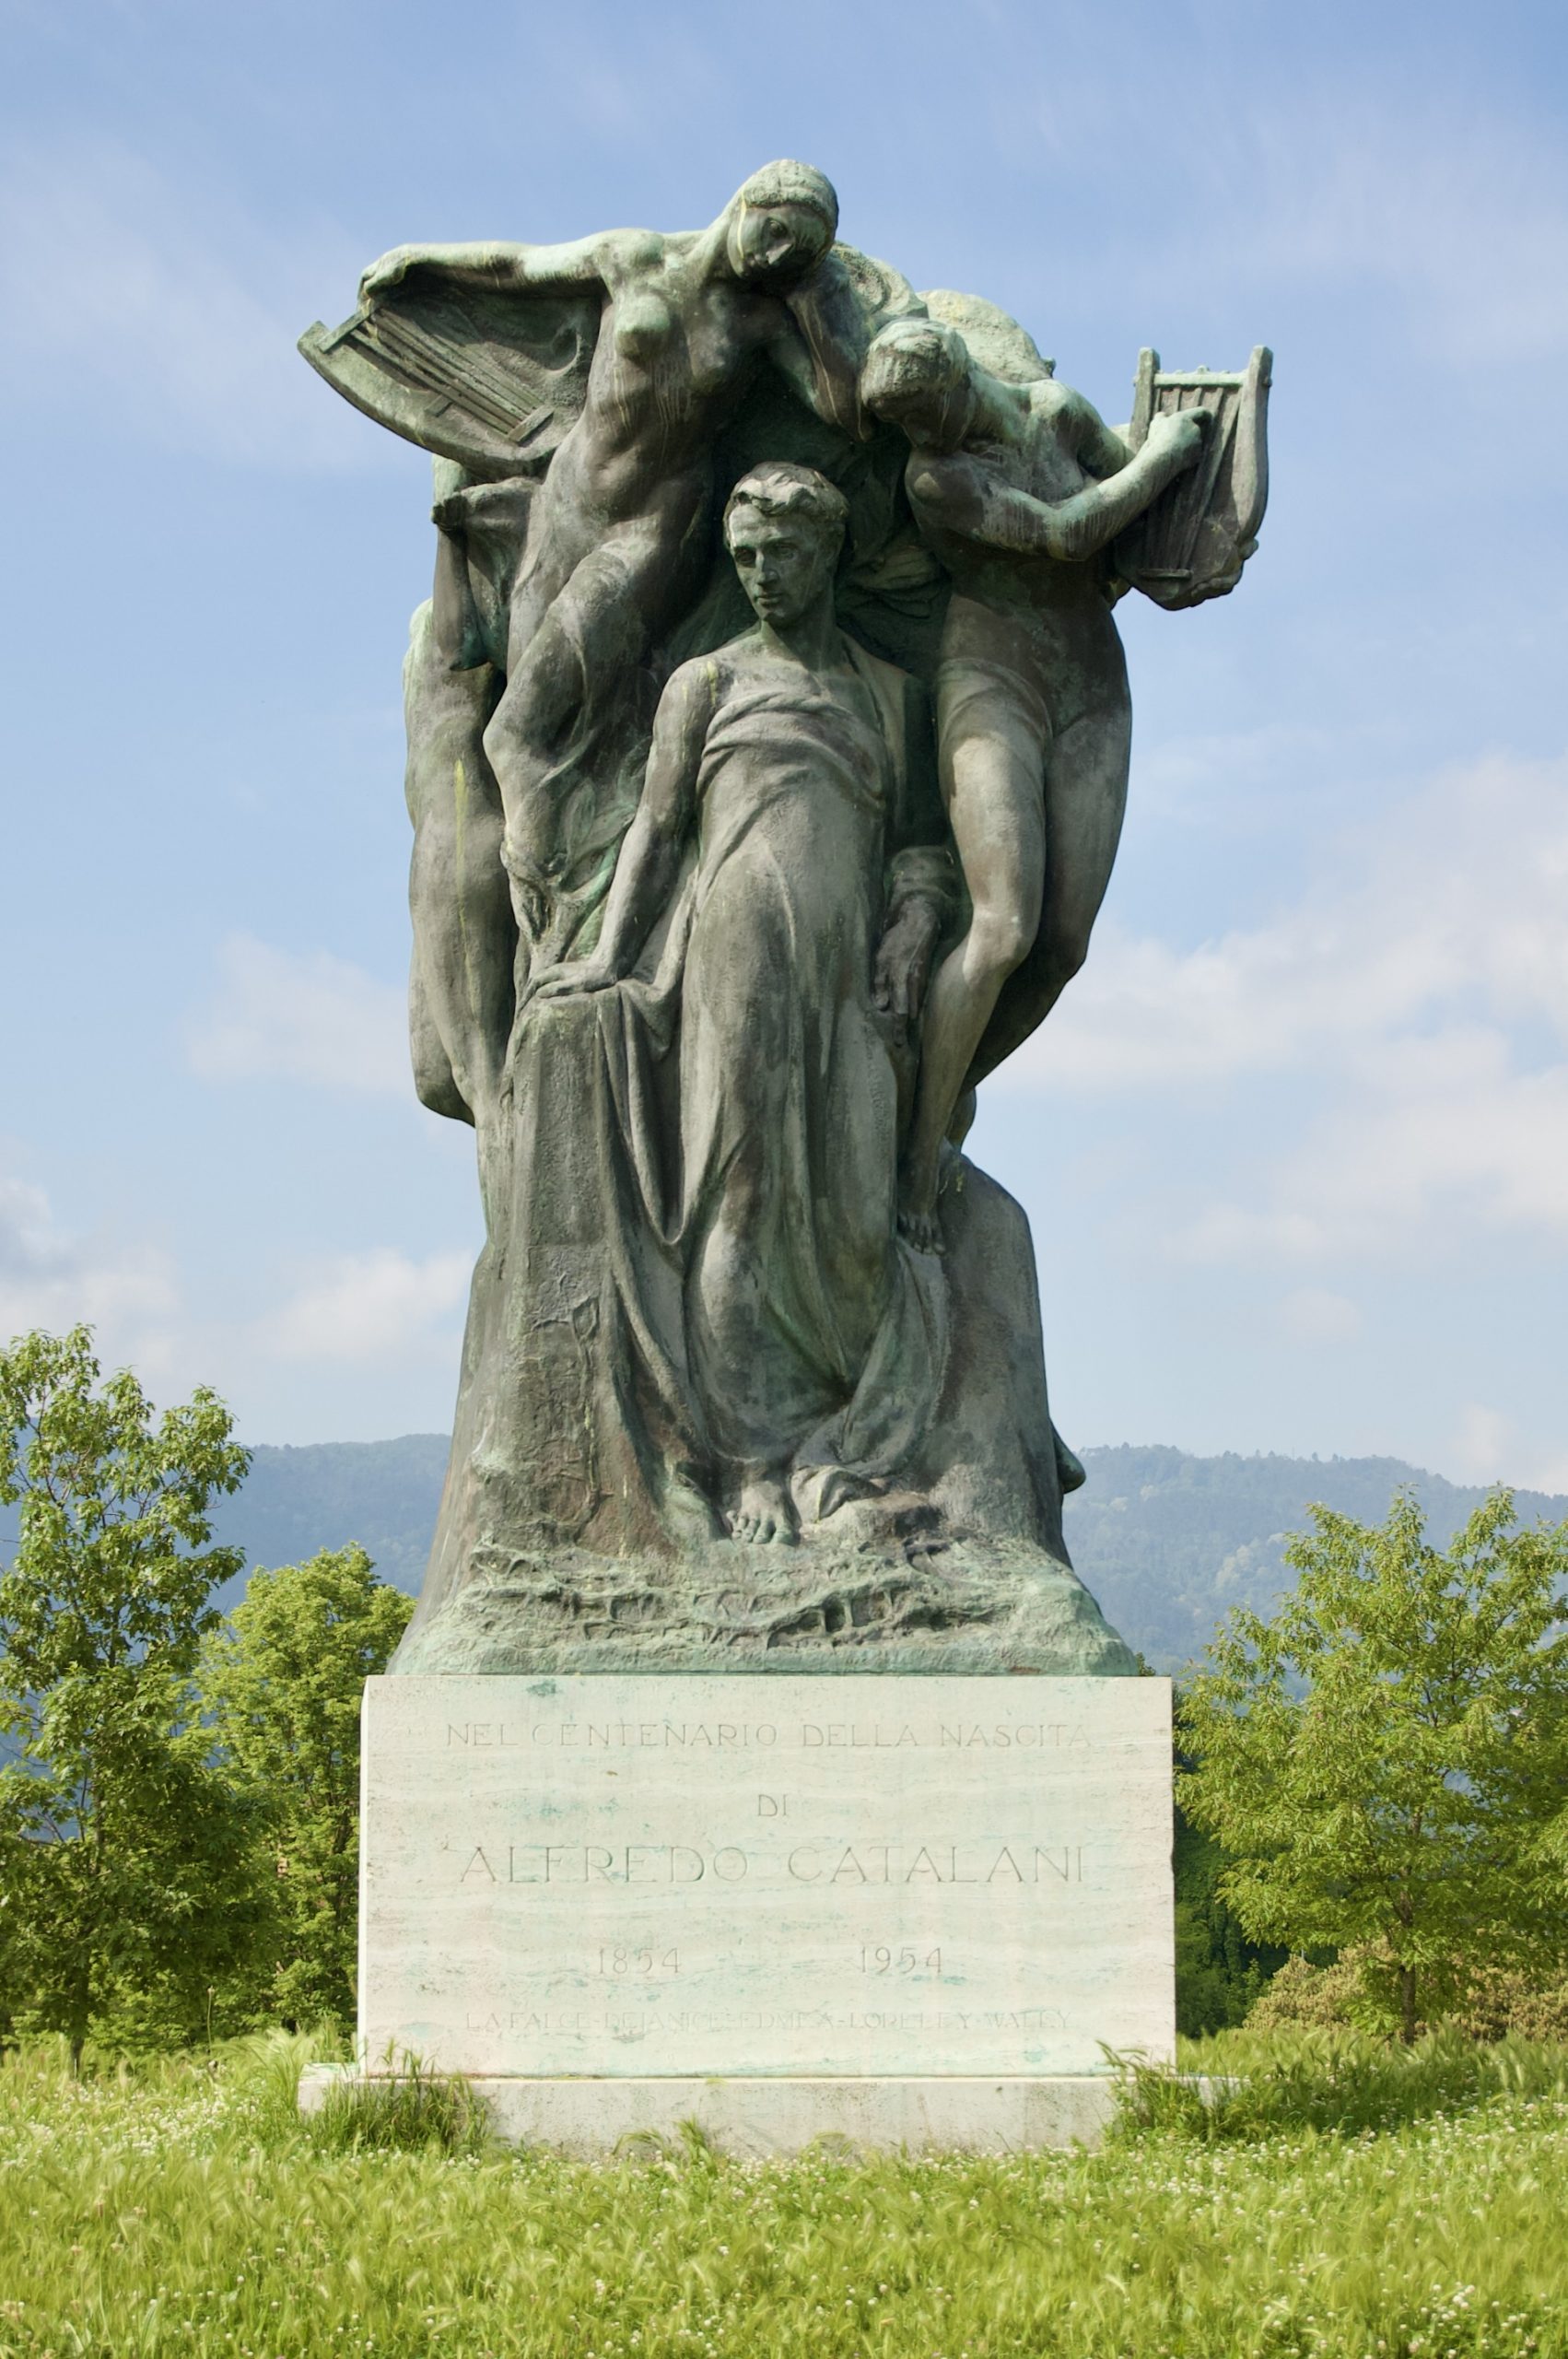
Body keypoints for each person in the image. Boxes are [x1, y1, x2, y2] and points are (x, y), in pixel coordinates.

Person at [531, 464, 952, 1544]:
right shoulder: (705, 683)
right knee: (748, 1195)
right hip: (735, 950)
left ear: (830, 555)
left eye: (785, 554)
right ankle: (754, 1464)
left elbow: (918, 845)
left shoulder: (888, 693)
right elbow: (657, 832)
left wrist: (910, 922)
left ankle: (840, 1451)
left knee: (857, 1212)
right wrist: (611, 958)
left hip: (848, 970)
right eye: (748, 557)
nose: (763, 575)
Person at [358, 167, 907, 957]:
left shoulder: (767, 321)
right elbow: (522, 268)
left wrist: (823, 302)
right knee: (537, 716)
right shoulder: (635, 257)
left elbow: (844, 407)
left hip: (652, 529)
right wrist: (424, 261)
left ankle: (554, 904)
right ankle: (573, 888)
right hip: (563, 510)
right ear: (746, 204)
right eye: (781, 231)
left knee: (516, 730)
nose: (783, 255)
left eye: (805, 250)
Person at [860, 317, 1207, 1246]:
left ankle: (948, 1073)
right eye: (912, 426)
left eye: (932, 410)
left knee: (1060, 945)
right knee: (1002, 924)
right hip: (991, 673)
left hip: (1090, 679)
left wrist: (1196, 528)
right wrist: (1166, 458)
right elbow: (1063, 534)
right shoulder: (935, 479)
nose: (928, 435)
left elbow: (1124, 531)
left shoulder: (1053, 412)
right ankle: (918, 1155)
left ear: (959, 380)